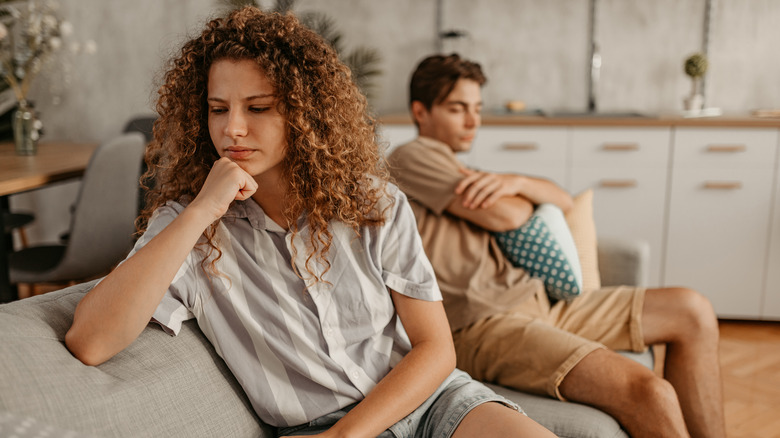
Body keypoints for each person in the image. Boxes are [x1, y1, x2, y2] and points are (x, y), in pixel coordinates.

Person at [64, 9, 555, 438]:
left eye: (257, 108)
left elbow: (435, 348)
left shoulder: (372, 202)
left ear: (304, 114)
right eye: (218, 109)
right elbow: (91, 342)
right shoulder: (189, 229)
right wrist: (200, 211)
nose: (232, 128)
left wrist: (347, 435)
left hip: (431, 402)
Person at [387, 54, 726, 438]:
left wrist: (518, 181)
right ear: (420, 112)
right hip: (486, 322)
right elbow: (506, 217)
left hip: (540, 301)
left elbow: (563, 202)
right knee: (650, 391)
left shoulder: (467, 171)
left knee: (692, 310)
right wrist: (518, 196)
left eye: (478, 109)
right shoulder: (411, 157)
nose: (472, 121)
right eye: (457, 109)